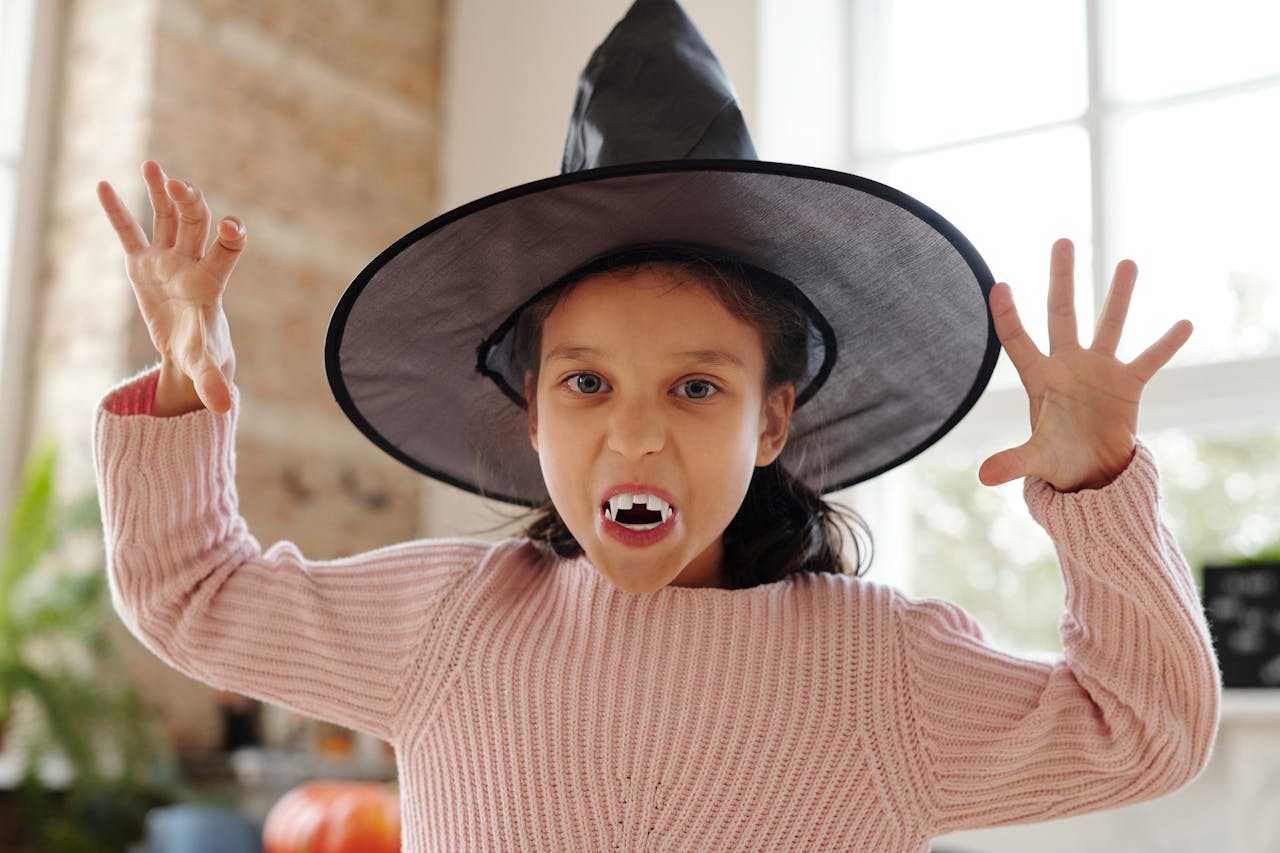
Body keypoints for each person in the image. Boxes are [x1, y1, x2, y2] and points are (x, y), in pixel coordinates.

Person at [91, 1, 1219, 850]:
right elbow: (190, 592)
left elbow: (1146, 731)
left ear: (771, 419)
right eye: (586, 383)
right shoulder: (445, 622)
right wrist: (186, 383)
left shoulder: (881, 667)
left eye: (695, 388)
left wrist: (1098, 490)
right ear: (531, 413)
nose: (634, 437)